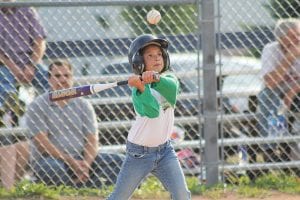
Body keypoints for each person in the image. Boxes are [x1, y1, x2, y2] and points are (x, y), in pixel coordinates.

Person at [107, 34, 190, 200]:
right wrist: (141, 87)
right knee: (119, 197)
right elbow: (153, 112)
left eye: (159, 54)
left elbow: (171, 89)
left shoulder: (169, 78)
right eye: (150, 55)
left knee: (182, 195)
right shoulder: (137, 90)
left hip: (165, 150)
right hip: (139, 153)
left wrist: (155, 78)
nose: (156, 58)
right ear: (138, 62)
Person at [25, 60, 124, 188]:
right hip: (53, 160)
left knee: (120, 162)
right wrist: (71, 161)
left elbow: (92, 140)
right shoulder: (37, 105)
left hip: (83, 159)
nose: (63, 79)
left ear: (72, 78)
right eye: (57, 76)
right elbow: (42, 144)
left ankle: (78, 185)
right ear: (49, 79)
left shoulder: (84, 105)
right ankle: (86, 186)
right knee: (51, 169)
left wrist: (86, 164)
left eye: (67, 76)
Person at [257, 18, 300, 163]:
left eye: (299, 35)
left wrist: (291, 93)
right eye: (293, 36)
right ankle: (270, 147)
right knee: (267, 96)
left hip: (296, 89)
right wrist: (290, 57)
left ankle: (294, 145)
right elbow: (270, 82)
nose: (298, 39)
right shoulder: (271, 49)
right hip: (275, 90)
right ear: (281, 38)